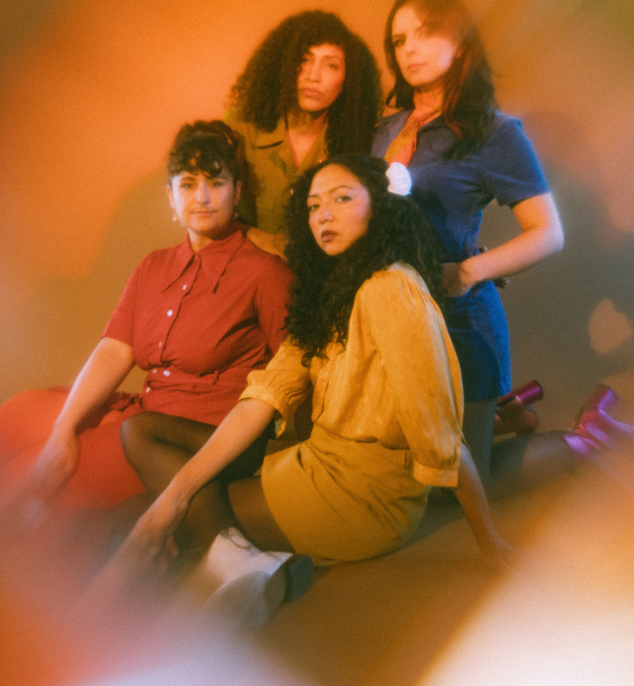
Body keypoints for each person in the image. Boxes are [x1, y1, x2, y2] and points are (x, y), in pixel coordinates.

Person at [109, 156, 510, 623]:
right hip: (316, 463)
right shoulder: (331, 290)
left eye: (342, 199)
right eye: (315, 205)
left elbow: (440, 435)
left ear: (379, 206)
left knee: (144, 513)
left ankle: (235, 561)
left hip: (365, 497)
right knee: (144, 436)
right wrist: (176, 496)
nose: (324, 215)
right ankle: (243, 558)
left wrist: (490, 541)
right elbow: (266, 394)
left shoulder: (389, 289)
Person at [0, 121, 292, 521]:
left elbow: (293, 371)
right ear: (171, 196)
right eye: (188, 184)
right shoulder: (154, 266)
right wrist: (64, 429)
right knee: (9, 423)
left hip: (181, 436)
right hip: (141, 408)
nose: (203, 197)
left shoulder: (264, 272)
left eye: (216, 182)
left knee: (22, 478)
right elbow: (114, 349)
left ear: (237, 192)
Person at [373, 0, 626, 499]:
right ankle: (505, 418)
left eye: (425, 32)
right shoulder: (387, 129)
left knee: (462, 486)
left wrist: (467, 272)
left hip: (459, 324)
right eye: (399, 40)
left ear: (460, 42)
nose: (410, 48)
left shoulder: (493, 133)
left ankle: (585, 439)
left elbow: (549, 233)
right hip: (393, 314)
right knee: (404, 465)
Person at [224, 10, 381, 255]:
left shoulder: (357, 143)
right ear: (285, 63)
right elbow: (212, 214)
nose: (313, 76)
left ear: (347, 81)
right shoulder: (239, 127)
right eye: (305, 60)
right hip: (247, 263)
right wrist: (269, 243)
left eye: (331, 65)